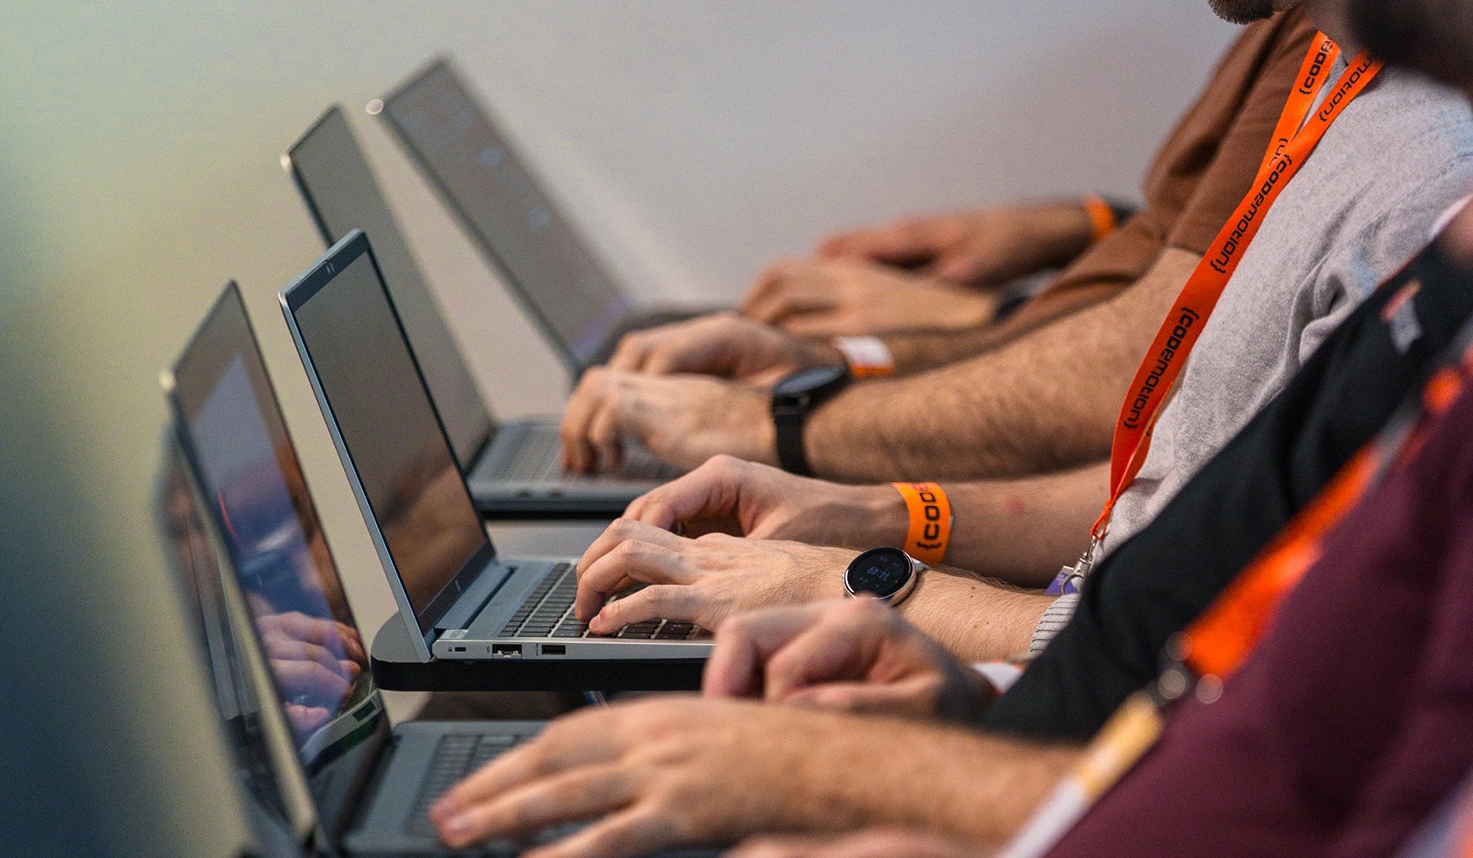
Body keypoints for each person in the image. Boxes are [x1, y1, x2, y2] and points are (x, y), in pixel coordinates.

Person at [423, 1, 1473, 854]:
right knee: (481, 699)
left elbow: (1271, 757)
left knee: (488, 720)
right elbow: (1175, 503)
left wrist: (868, 648)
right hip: (1045, 704)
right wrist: (893, 539)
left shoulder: (1427, 165)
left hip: (1065, 740)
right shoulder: (1357, 103)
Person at [560, 3, 1473, 665]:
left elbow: (1207, 654)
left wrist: (857, 567)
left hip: (1082, 698)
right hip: (1060, 638)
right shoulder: (1349, 86)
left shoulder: (1430, 174)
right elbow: (1171, 491)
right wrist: (880, 515)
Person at [558, 11, 1317, 481]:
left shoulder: (1329, 48)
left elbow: (1135, 367)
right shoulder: (1280, 24)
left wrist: (776, 422)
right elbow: (1191, 260)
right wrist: (1081, 224)